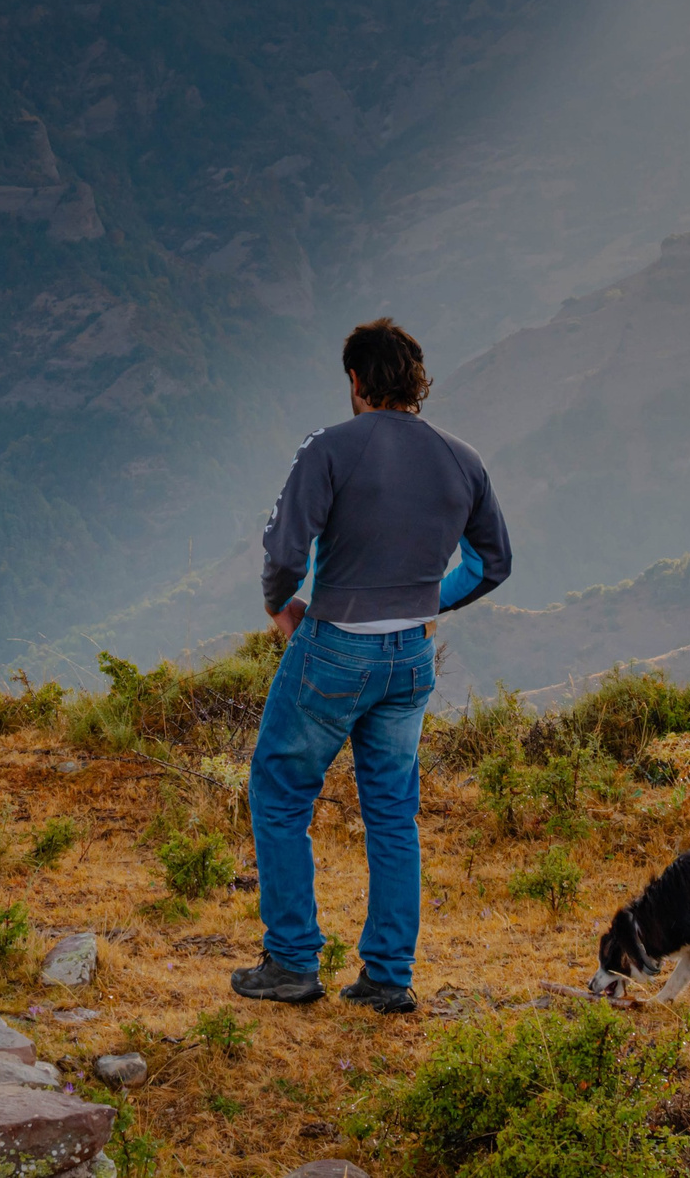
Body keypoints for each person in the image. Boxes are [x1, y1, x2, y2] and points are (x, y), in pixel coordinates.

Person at [234, 317, 512, 1012]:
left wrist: (281, 607)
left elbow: (284, 551)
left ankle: (293, 962)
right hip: (412, 655)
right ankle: (388, 976)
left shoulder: (330, 448)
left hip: (335, 645)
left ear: (356, 381)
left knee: (279, 789)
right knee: (392, 813)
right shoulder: (463, 458)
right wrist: (430, 602)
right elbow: (494, 562)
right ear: (418, 381)